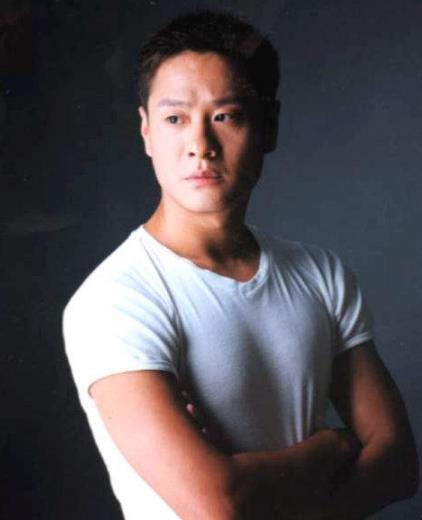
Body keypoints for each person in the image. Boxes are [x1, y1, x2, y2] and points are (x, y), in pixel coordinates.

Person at [62, 9, 418, 520]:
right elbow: (218, 504)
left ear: (268, 126)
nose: (200, 146)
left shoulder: (319, 273)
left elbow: (399, 463)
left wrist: (256, 484)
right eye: (175, 119)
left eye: (225, 116)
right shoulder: (116, 299)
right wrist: (333, 446)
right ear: (146, 132)